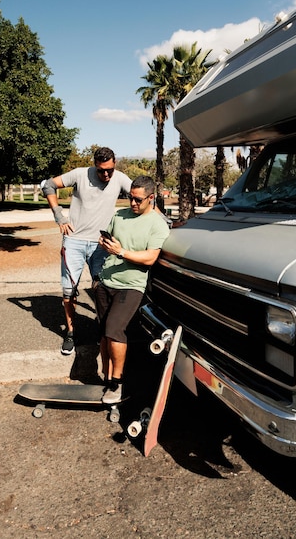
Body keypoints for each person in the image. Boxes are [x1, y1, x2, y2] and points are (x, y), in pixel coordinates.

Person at [42, 147, 132, 355]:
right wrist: (59, 216)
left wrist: (163, 221)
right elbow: (48, 185)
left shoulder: (120, 178)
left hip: (100, 244)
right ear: (94, 165)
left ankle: (103, 332)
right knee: (68, 291)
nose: (106, 175)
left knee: (102, 289)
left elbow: (143, 197)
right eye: (101, 171)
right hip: (73, 241)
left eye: (109, 169)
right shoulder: (80, 174)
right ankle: (71, 333)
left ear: (115, 163)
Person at [94, 175, 170, 404]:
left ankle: (117, 383)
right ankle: (107, 379)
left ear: (151, 198)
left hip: (131, 285)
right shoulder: (119, 215)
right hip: (106, 281)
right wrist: (105, 244)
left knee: (115, 329)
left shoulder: (157, 224)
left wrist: (120, 252)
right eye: (130, 198)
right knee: (104, 334)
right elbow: (107, 240)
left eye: (138, 199)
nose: (133, 203)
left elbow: (150, 258)